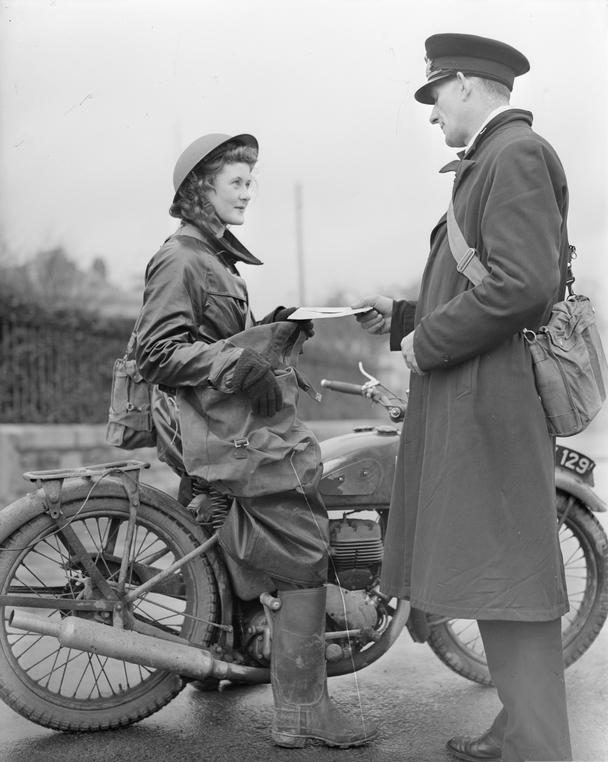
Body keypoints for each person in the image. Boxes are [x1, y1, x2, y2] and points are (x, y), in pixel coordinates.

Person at [354, 34, 572, 762]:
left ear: (471, 87)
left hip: (493, 401)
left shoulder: (514, 156)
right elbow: (483, 284)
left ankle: (539, 747)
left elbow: (523, 286)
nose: (432, 111)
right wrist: (405, 318)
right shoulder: (495, 159)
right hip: (482, 396)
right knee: (500, 574)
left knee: (513, 579)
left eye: (436, 93)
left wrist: (427, 342)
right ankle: (520, 728)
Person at [132, 133, 377, 749]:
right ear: (200, 190)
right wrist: (235, 367)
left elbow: (216, 339)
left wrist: (270, 336)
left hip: (224, 424)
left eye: (251, 182)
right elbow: (158, 352)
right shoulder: (183, 258)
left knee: (241, 533)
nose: (248, 192)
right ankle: (301, 713)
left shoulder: (214, 259)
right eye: (237, 182)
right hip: (216, 430)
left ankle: (227, 648)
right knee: (302, 542)